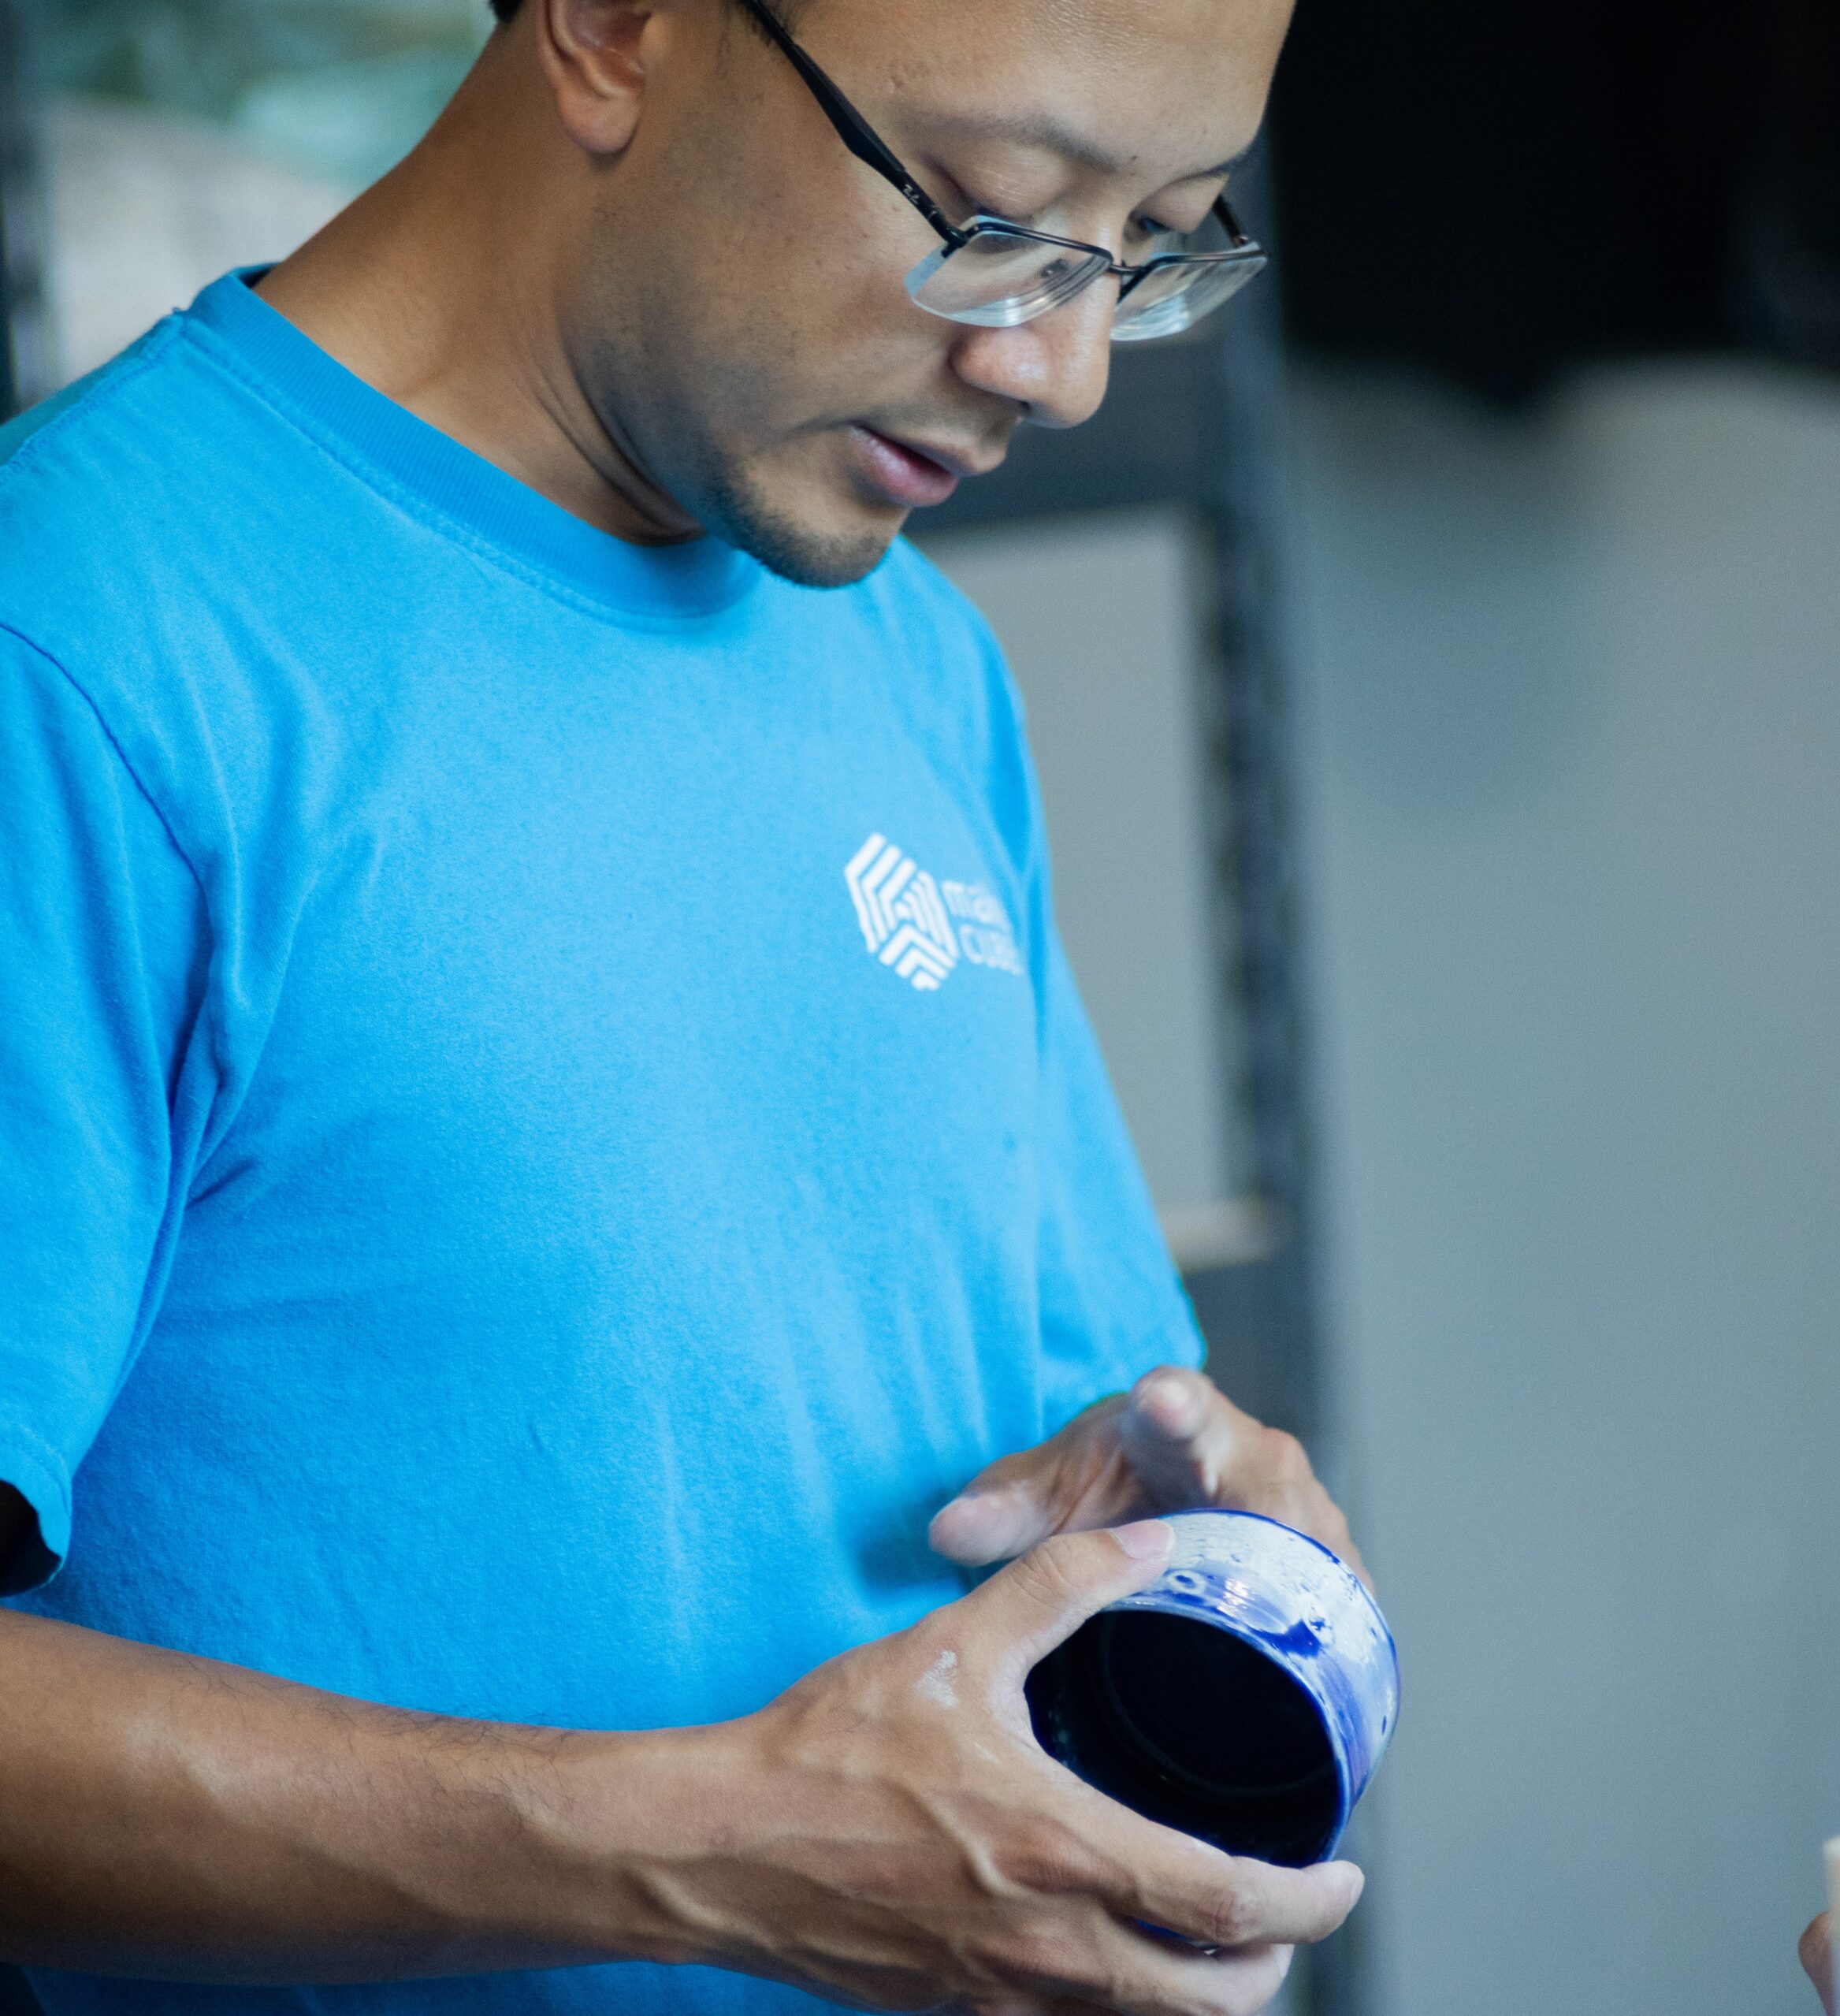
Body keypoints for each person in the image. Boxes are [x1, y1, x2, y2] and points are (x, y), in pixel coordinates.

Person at [0, 0, 1364, 2012]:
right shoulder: (88, 645)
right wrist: (695, 1853)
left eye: (1150, 246)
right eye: (992, 217)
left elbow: (1032, 1443)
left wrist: (1203, 1562)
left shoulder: (912, 661)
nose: (1058, 368)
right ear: (615, 30)